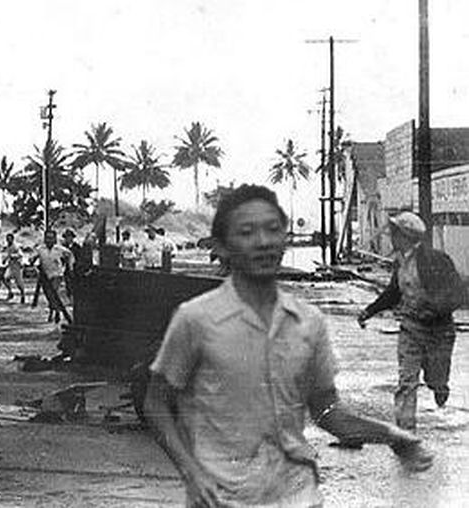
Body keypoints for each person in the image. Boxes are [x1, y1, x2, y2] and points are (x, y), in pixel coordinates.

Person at [144, 184, 433, 508]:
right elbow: (156, 402)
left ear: (285, 239)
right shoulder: (194, 320)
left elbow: (328, 413)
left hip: (298, 495)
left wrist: (394, 436)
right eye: (247, 232)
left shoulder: (308, 323)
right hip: (223, 498)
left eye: (272, 229)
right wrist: (191, 473)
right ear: (223, 247)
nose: (263, 241)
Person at [358, 211, 465, 430]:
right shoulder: (400, 263)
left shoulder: (435, 260)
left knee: (436, 379)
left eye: (394, 234)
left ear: (405, 236)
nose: (391, 238)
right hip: (411, 328)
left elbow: (459, 293)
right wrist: (369, 311)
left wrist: (436, 310)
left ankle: (439, 385)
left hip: (439, 331)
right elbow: (393, 293)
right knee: (407, 381)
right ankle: (405, 431)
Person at [29, 230, 73, 323]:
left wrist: (69, 266)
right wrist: (32, 261)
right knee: (49, 295)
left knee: (54, 293)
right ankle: (54, 310)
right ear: (44, 239)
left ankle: (56, 312)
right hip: (45, 276)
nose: (49, 240)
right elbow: (32, 258)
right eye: (47, 238)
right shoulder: (40, 249)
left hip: (57, 274)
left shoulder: (60, 249)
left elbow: (70, 256)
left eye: (51, 238)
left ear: (55, 239)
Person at [2, 233, 25, 303]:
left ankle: (23, 295)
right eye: (7, 239)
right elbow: (6, 255)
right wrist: (4, 259)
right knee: (5, 278)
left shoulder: (16, 246)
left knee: (19, 282)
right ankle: (10, 291)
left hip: (17, 266)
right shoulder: (7, 247)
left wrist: (13, 256)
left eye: (10, 239)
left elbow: (20, 255)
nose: (8, 240)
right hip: (10, 266)